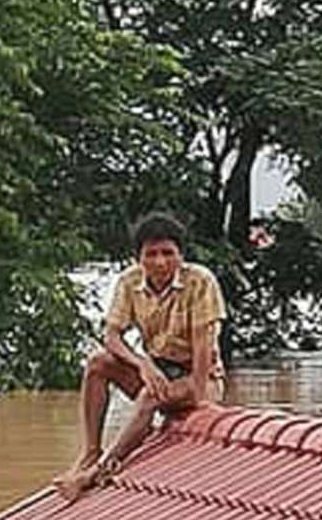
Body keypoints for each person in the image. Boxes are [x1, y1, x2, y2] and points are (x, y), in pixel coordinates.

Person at [54, 212, 226, 500]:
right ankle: (90, 451)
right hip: (157, 369)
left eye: (168, 253)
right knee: (97, 363)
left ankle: (97, 472)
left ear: (181, 256)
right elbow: (111, 335)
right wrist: (142, 363)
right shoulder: (129, 281)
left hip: (199, 375)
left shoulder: (200, 282)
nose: (160, 262)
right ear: (138, 258)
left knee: (149, 397)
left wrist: (194, 395)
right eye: (152, 254)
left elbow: (202, 355)